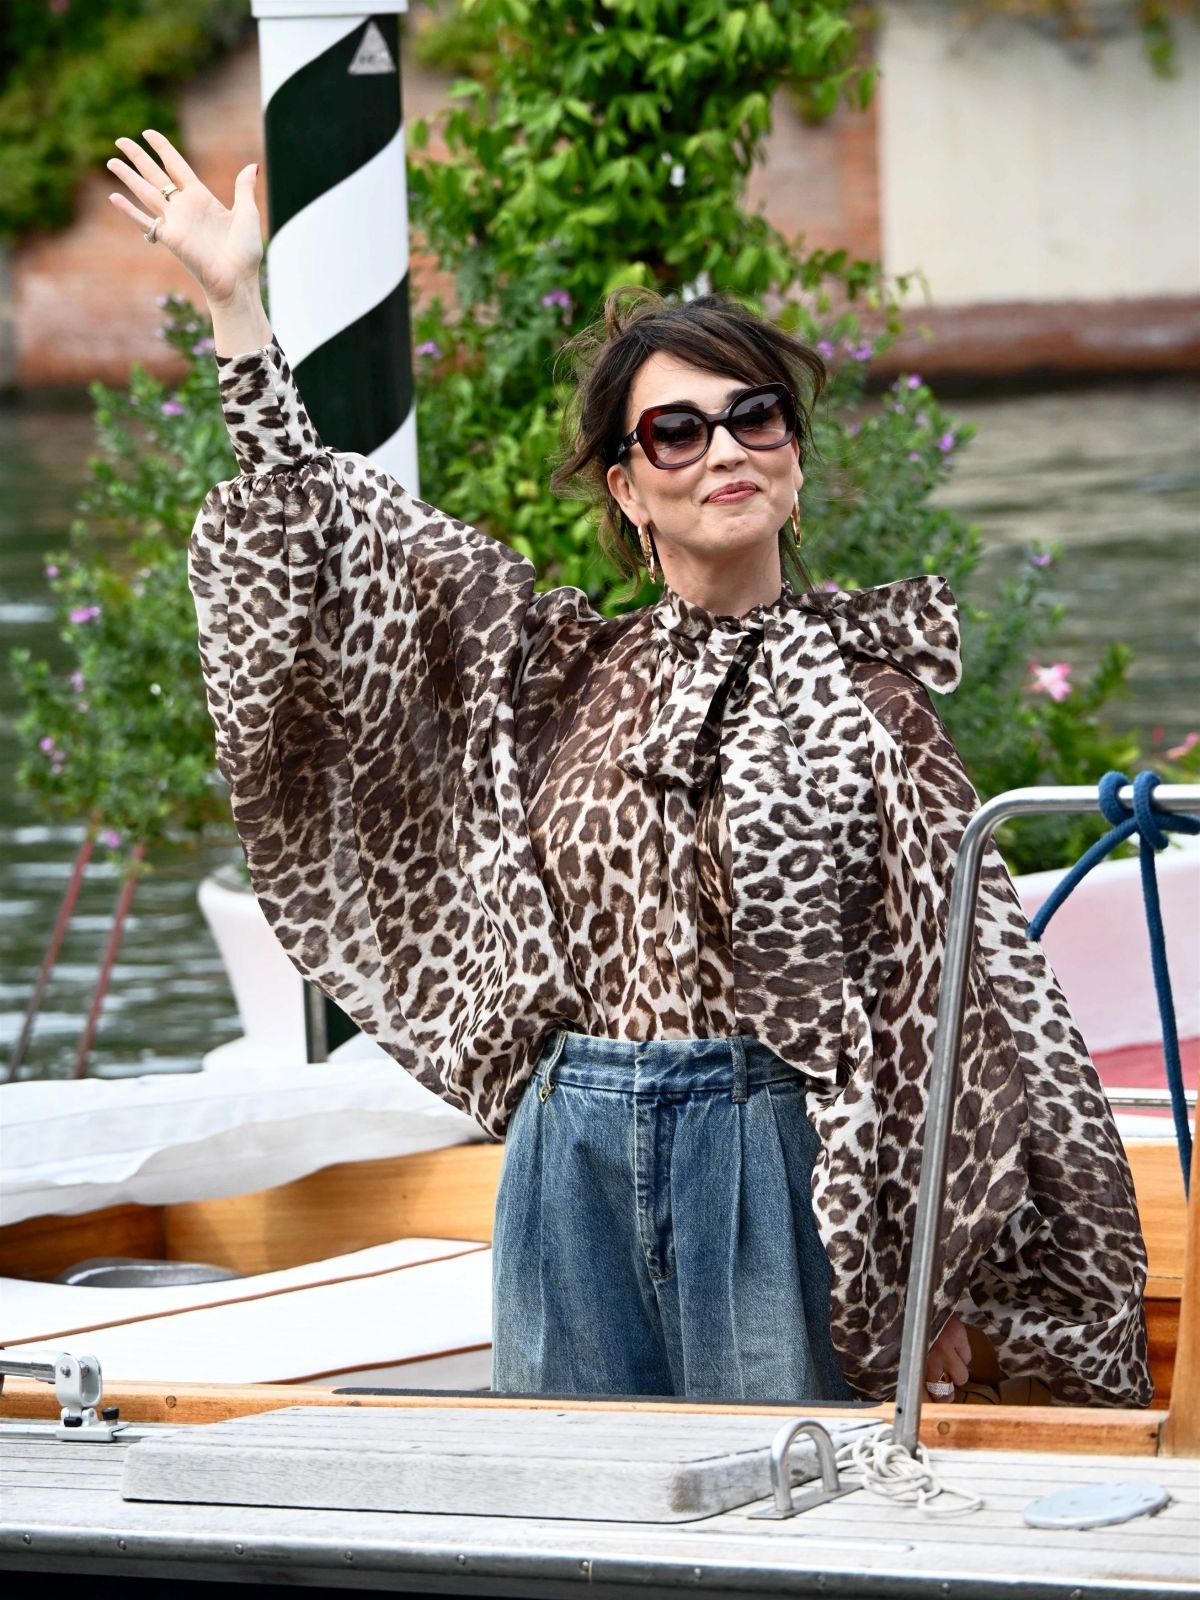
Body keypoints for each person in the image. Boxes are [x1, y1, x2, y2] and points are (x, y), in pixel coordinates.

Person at [106, 132, 1152, 1407]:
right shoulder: (558, 670)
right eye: (677, 430)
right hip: (571, 1152)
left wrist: (931, 1277)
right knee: (572, 1507)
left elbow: (958, 1020)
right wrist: (236, 308)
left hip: (777, 1164)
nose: (725, 450)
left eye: (753, 416)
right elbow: (334, 538)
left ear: (795, 454)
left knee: (775, 1514)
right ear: (629, 485)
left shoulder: (875, 703)